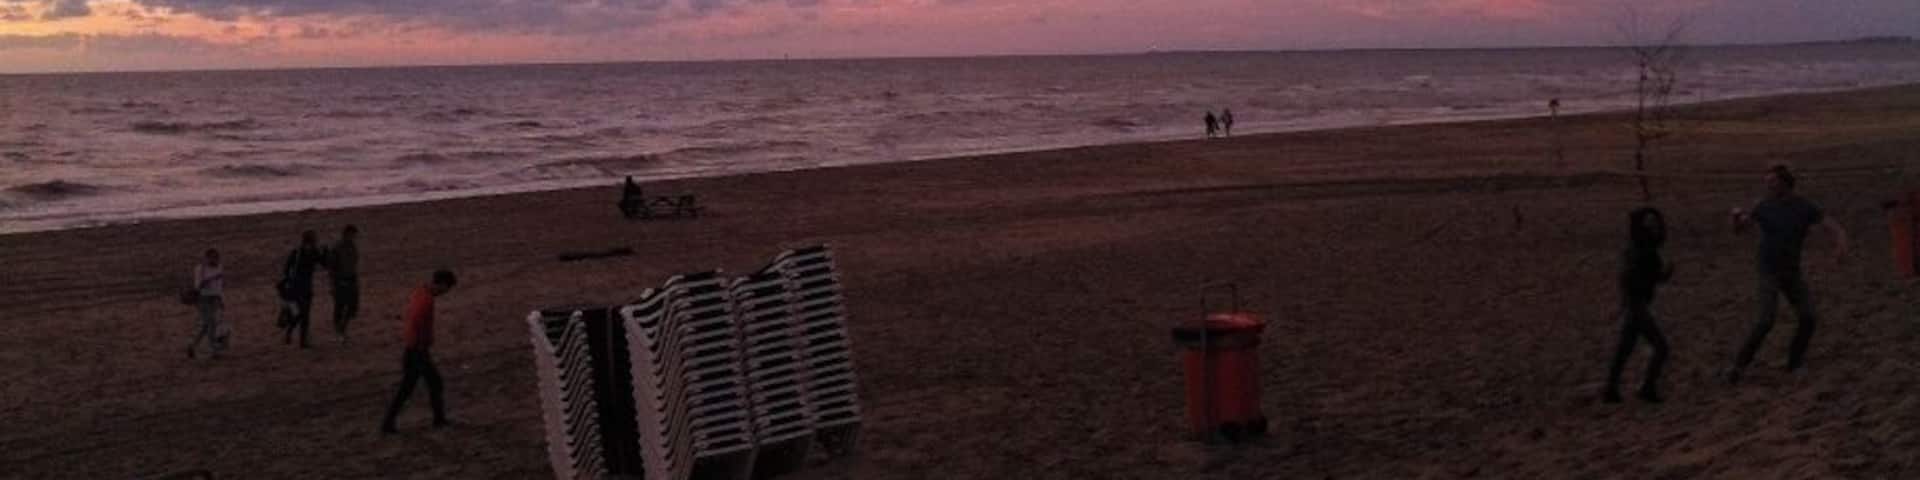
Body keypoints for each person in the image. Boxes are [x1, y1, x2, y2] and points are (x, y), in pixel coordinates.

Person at [1725, 164, 1849, 384]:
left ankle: (1794, 362)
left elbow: (1832, 226)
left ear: (1785, 183)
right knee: (1765, 320)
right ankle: (1739, 365)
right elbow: (1740, 229)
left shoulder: (1804, 206)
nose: (1769, 186)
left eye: (1772, 181)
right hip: (1768, 269)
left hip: (1791, 271)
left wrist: (1840, 244)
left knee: (1808, 317)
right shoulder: (1763, 206)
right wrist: (1735, 218)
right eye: (1767, 182)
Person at [1603, 207, 1673, 403]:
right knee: (1661, 347)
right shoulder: (1640, 250)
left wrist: (1664, 275)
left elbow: (1649, 276)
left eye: (1655, 221)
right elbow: (1632, 278)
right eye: (1650, 222)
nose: (1655, 225)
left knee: (1625, 348)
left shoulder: (1642, 247)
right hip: (1638, 305)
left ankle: (1610, 389)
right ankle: (1646, 388)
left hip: (1636, 304)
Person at [381, 269, 459, 434]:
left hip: (413, 348)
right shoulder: (426, 300)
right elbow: (418, 322)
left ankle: (389, 422)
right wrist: (423, 343)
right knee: (432, 384)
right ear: (442, 284)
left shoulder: (420, 292)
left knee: (409, 387)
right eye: (446, 288)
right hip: (418, 350)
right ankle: (438, 420)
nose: (445, 293)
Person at [280, 230, 326, 348]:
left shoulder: (313, 252)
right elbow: (287, 268)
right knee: (299, 314)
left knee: (303, 314)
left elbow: (324, 264)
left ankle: (300, 339)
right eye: (314, 239)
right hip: (296, 288)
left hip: (305, 287)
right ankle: (295, 335)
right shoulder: (297, 252)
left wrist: (325, 253)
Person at [188, 249, 226, 359]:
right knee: (211, 323)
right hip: (203, 298)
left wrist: (221, 299)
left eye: (216, 258)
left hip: (214, 298)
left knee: (207, 325)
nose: (215, 260)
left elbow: (220, 285)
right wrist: (212, 278)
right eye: (212, 258)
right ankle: (214, 350)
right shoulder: (200, 269)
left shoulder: (219, 267)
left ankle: (192, 345)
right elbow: (198, 286)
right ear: (206, 258)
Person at [328, 225, 362, 345]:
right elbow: (331, 268)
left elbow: (354, 263)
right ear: (346, 234)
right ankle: (339, 332)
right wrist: (333, 284)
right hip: (340, 280)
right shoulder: (337, 248)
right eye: (352, 234)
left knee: (353, 307)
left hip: (351, 278)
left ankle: (342, 328)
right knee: (340, 306)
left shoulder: (352, 246)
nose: (354, 237)